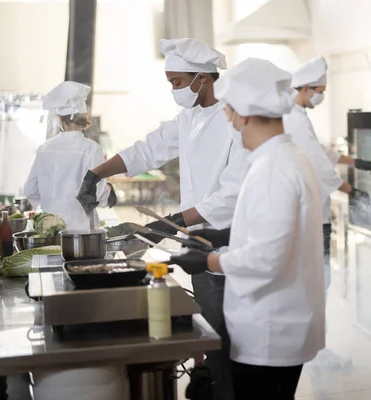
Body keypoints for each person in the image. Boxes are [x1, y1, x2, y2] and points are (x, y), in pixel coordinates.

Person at [76, 38, 248, 399]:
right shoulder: (190, 117)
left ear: (203, 77)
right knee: (211, 327)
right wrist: (97, 173)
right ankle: (213, 382)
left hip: (230, 241)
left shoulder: (235, 119)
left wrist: (171, 222)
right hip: (198, 240)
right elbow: (147, 150)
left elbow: (232, 196)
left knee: (230, 337)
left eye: (176, 82)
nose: (174, 90)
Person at [170, 58, 326, 399]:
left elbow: (267, 259)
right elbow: (282, 234)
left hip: (270, 331)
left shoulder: (273, 169)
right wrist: (226, 236)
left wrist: (209, 262)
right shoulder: (288, 159)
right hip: (280, 325)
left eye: (227, 109)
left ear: (242, 113)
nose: (226, 117)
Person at [285, 56, 371, 369]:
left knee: (317, 284)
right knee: (316, 284)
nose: (321, 96)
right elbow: (317, 163)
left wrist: (357, 163)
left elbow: (322, 152)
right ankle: (315, 354)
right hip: (310, 218)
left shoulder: (297, 115)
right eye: (320, 90)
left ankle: (315, 350)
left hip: (312, 216)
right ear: (307, 88)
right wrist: (352, 191)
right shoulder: (294, 117)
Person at [24, 81, 116, 230]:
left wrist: (50, 204)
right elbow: (97, 194)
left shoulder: (44, 149)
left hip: (49, 232)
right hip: (80, 233)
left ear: (59, 118)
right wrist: (109, 193)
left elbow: (30, 190)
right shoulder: (92, 149)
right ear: (84, 117)